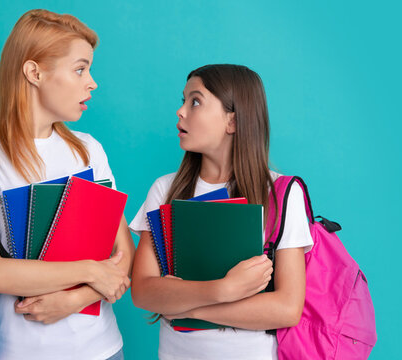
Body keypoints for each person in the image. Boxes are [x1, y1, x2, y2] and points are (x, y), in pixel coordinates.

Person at [0, 9, 132, 360]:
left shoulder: (89, 150)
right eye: (80, 69)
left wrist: (73, 300)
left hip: (105, 349)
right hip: (20, 351)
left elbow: (123, 255)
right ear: (34, 72)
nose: (92, 82)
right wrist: (90, 271)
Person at [130, 64, 314, 359]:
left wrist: (184, 306)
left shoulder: (281, 193)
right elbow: (143, 292)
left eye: (196, 101)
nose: (181, 111)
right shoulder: (164, 189)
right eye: (183, 100)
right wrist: (223, 289)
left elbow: (286, 308)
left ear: (233, 121)